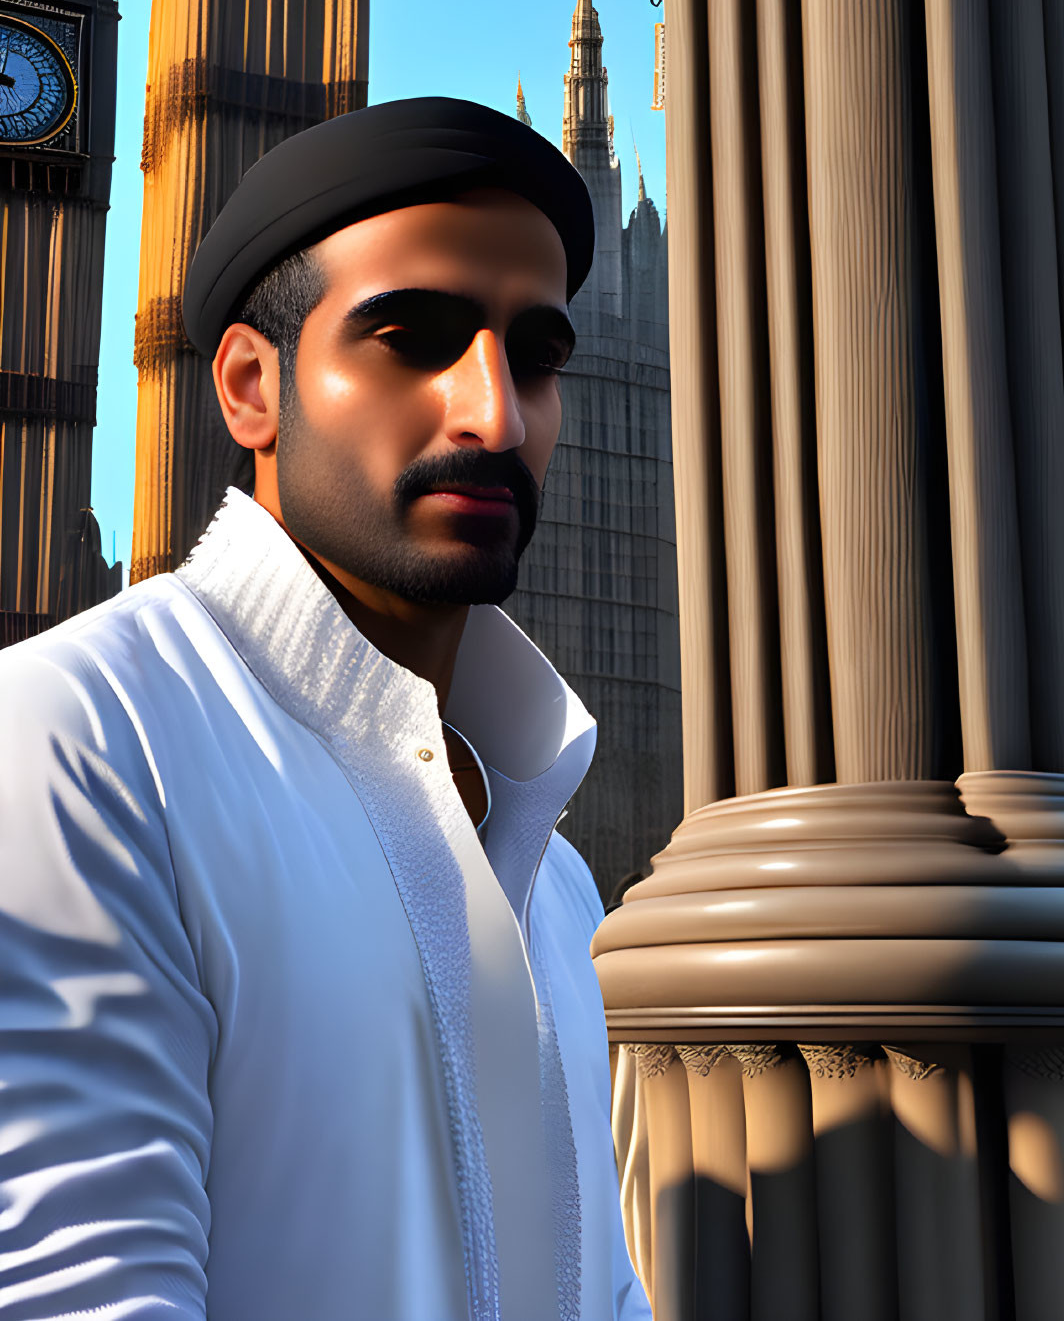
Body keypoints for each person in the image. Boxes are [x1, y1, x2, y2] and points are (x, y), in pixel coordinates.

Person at [0, 98, 652, 1320]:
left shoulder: (554, 880)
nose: (496, 415)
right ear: (251, 386)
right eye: (414, 338)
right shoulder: (78, 745)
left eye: (538, 357)